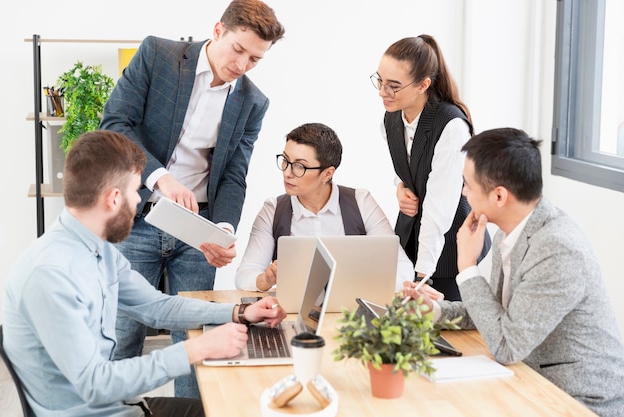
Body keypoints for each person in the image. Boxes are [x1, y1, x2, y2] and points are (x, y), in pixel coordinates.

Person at [1, 130, 287, 417]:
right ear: (113, 199)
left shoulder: (98, 250)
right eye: (136, 191)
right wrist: (195, 350)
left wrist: (238, 312)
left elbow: (157, 307)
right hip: (97, 412)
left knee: (227, 408)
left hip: (121, 407)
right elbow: (96, 384)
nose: (139, 201)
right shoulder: (50, 275)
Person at [99, 0, 285, 398]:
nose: (242, 65)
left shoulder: (254, 102)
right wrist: (161, 178)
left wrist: (223, 230)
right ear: (218, 30)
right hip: (139, 216)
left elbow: (234, 173)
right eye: (238, 50)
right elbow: (116, 123)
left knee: (198, 339)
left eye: (255, 58)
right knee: (125, 328)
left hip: (195, 230)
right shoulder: (158, 55)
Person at [403, 128, 624, 417]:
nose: (463, 192)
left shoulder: (557, 247)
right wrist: (434, 311)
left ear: (499, 196)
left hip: (580, 402)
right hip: (529, 379)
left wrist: (467, 268)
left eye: (467, 184)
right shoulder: (508, 232)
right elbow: (496, 314)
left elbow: (506, 346)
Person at [372, 34, 490, 301]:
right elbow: (408, 167)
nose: (382, 92)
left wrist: (421, 276)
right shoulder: (391, 117)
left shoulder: (451, 126)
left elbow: (439, 208)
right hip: (410, 238)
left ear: (423, 84)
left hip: (447, 249)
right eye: (379, 80)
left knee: (445, 335)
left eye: (393, 86)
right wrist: (400, 187)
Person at [235, 122, 417, 293]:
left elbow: (400, 265)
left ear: (327, 174)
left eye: (300, 166)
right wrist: (265, 280)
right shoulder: (272, 210)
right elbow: (244, 274)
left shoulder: (361, 202)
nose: (287, 173)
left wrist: (370, 289)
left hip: (351, 313)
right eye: (285, 160)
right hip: (292, 315)